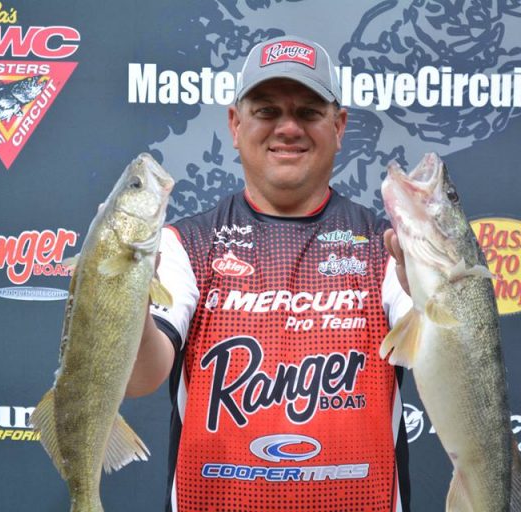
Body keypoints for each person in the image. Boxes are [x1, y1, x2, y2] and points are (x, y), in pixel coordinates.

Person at [126, 35, 413, 512]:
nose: (288, 128)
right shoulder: (185, 244)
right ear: (235, 124)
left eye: (308, 112)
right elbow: (139, 379)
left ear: (339, 126)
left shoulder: (388, 247)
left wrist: (437, 299)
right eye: (266, 111)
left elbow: (450, 372)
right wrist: (127, 293)